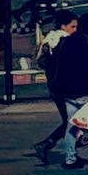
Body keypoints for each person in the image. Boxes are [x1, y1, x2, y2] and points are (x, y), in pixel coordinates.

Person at [52, 12, 88, 169]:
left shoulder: (65, 41)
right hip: (84, 92)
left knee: (72, 125)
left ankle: (70, 158)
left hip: (67, 92)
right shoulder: (87, 44)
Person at [33, 10, 79, 163]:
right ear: (63, 26)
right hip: (65, 86)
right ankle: (48, 145)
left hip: (54, 85)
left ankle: (61, 146)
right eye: (72, 27)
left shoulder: (49, 40)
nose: (75, 30)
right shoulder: (65, 41)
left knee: (71, 120)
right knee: (72, 121)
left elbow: (41, 61)